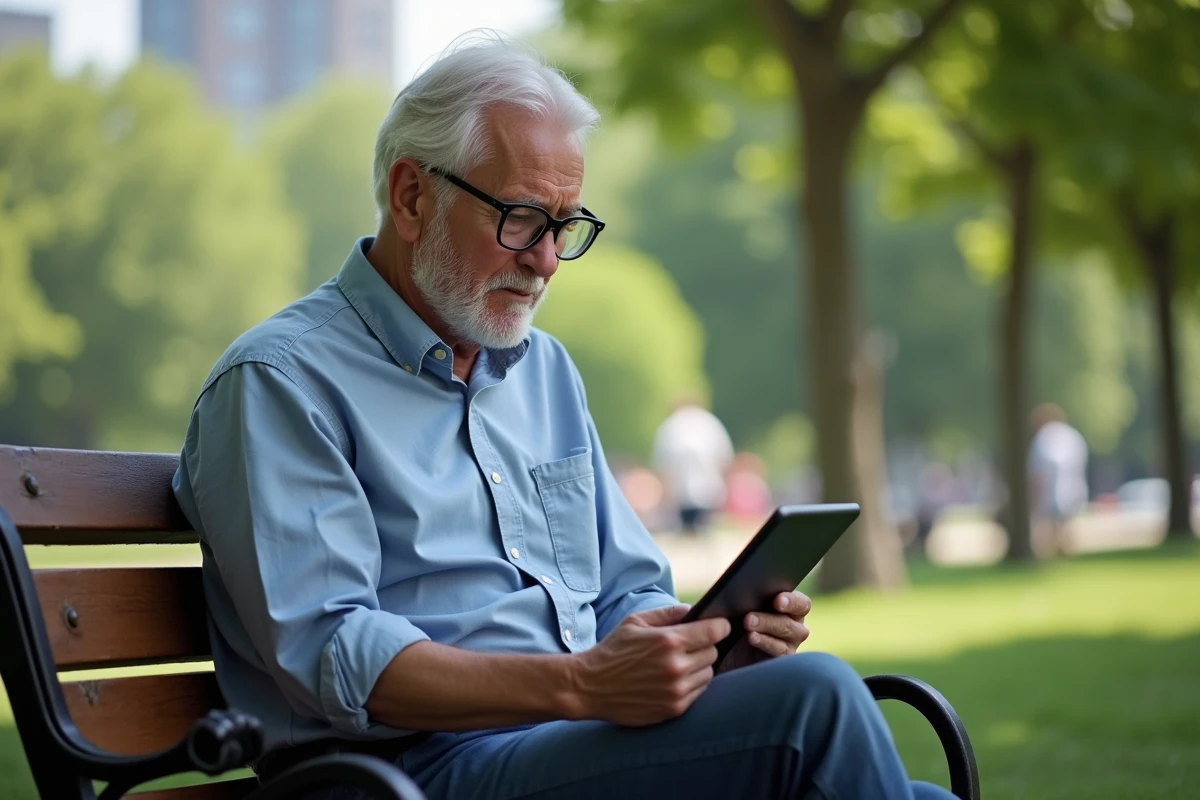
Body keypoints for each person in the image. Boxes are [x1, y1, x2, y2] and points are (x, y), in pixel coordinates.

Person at [172, 36, 956, 800]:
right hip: (401, 772)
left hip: (564, 744)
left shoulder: (543, 370)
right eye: (520, 218)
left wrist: (701, 643)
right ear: (412, 197)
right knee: (811, 705)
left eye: (565, 225)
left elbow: (626, 589)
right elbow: (333, 654)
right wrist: (583, 683)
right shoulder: (279, 383)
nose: (546, 260)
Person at [650, 395, 735, 534]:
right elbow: (724, 458)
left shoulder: (671, 425)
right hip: (705, 490)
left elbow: (662, 463)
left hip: (683, 491)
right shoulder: (710, 423)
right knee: (702, 531)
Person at [1027, 403, 1089, 556]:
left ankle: (1054, 551)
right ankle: (1063, 550)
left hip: (1050, 488)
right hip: (1073, 487)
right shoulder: (1072, 436)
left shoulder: (1043, 437)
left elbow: (1040, 469)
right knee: (1064, 524)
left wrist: (1034, 494)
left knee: (1048, 525)